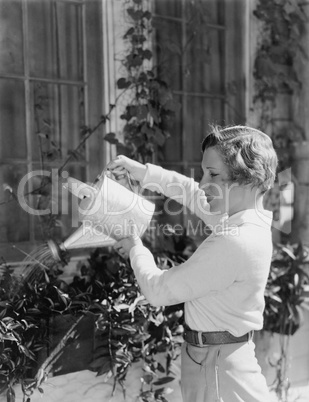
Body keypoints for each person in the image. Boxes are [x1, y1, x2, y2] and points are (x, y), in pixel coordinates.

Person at [107, 125, 278, 402]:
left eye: (213, 174)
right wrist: (145, 173)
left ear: (246, 179)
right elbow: (190, 192)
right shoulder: (244, 220)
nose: (202, 182)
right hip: (214, 359)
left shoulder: (234, 241)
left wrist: (135, 247)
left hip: (216, 366)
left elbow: (159, 290)